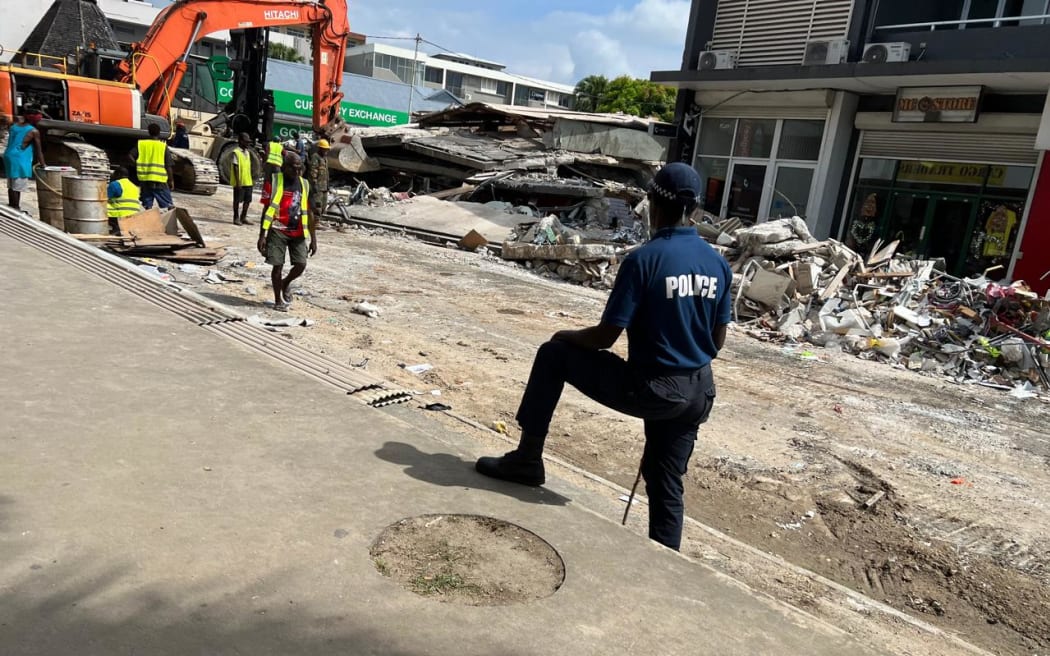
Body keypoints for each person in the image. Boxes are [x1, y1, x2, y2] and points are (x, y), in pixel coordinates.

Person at [475, 163, 732, 552]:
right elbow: (718, 340)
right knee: (665, 485)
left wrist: (565, 334)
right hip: (698, 393)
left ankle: (528, 459)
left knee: (553, 354)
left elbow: (604, 337)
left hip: (655, 388)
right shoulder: (717, 263)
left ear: (652, 204)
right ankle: (666, 565)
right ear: (694, 210)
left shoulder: (644, 260)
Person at [257, 153, 317, 312]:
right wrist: (262, 235)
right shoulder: (274, 182)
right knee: (277, 265)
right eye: (294, 168)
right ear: (285, 167)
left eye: (300, 168)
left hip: (298, 231)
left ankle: (285, 283)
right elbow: (266, 209)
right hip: (277, 229)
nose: (297, 172)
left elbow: (309, 212)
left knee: (301, 264)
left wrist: (314, 238)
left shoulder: (304, 184)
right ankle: (278, 300)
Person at [3, 108, 47, 212]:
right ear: (34, 120)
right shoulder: (33, 131)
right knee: (17, 185)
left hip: (9, 155)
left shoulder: (14, 127)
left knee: (12, 183)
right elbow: (39, 150)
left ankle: (12, 206)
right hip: (20, 158)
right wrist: (43, 164)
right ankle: (16, 208)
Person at [131, 123, 174, 210]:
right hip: (160, 180)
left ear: (149, 132)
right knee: (168, 204)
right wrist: (171, 180)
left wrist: (137, 165)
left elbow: (129, 156)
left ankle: (149, 221)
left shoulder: (141, 144)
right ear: (159, 133)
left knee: (147, 205)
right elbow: (168, 166)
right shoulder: (163, 146)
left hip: (145, 179)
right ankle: (170, 221)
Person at [106, 166, 142, 233]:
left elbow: (103, 199)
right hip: (134, 215)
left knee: (99, 205)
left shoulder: (115, 184)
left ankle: (116, 227)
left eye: (114, 174)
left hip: (119, 215)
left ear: (118, 174)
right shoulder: (134, 186)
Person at [230, 132, 255, 226]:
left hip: (248, 180)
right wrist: (238, 182)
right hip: (239, 181)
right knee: (237, 200)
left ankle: (243, 217)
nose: (248, 143)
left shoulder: (247, 153)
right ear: (240, 141)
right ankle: (235, 218)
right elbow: (235, 167)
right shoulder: (236, 152)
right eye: (246, 142)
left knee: (247, 200)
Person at [307, 139, 330, 215]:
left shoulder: (325, 158)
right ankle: (316, 221)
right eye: (325, 149)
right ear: (320, 148)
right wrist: (314, 184)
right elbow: (313, 172)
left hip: (324, 186)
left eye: (327, 149)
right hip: (318, 186)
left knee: (324, 205)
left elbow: (326, 173)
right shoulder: (315, 157)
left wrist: (328, 185)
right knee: (318, 205)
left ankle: (320, 218)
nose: (326, 151)